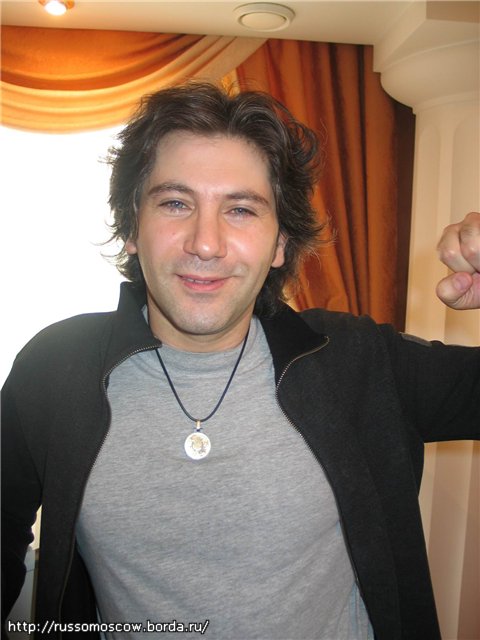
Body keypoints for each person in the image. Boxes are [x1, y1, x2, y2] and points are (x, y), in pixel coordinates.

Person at [1, 82, 479, 640]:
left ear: (280, 244)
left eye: (242, 209)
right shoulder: (56, 370)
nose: (206, 243)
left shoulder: (359, 362)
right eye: (175, 203)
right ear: (132, 227)